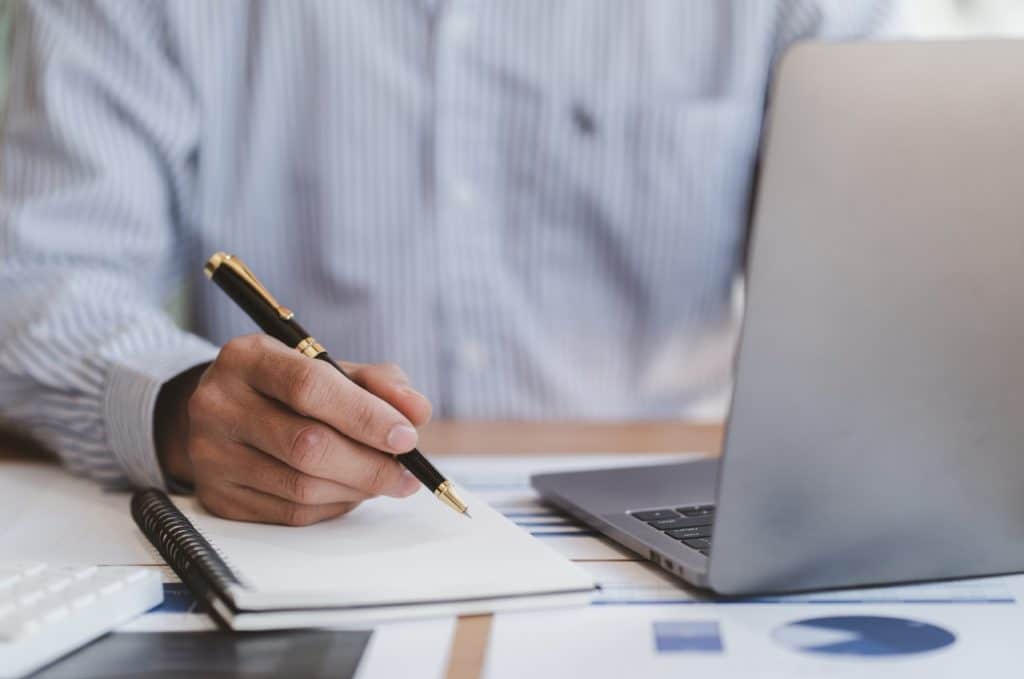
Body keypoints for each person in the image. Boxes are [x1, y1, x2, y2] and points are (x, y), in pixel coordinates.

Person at [0, 0, 896, 525]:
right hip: (296, 536)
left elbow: (890, 291)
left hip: (676, 503)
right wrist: (176, 405)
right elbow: (35, 271)